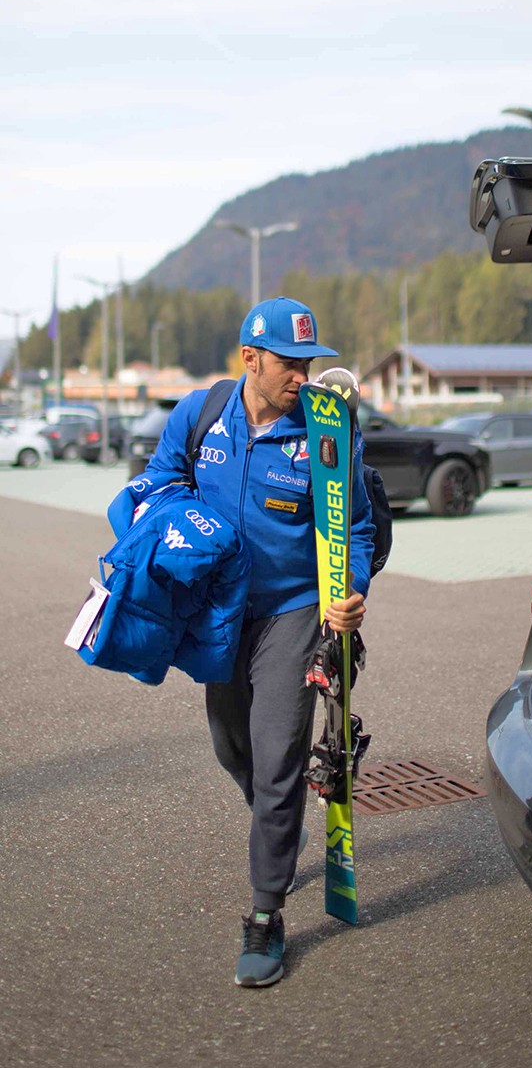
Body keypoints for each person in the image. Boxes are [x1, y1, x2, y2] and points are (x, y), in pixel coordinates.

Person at [142, 296, 375, 987]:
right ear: (251, 358)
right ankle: (279, 825)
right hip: (221, 609)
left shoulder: (328, 430)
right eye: (289, 364)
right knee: (230, 744)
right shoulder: (201, 413)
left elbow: (356, 527)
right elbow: (162, 483)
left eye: (309, 364)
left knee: (277, 757)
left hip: (295, 611)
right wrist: (179, 531)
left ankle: (266, 913)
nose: (301, 377)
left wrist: (351, 588)